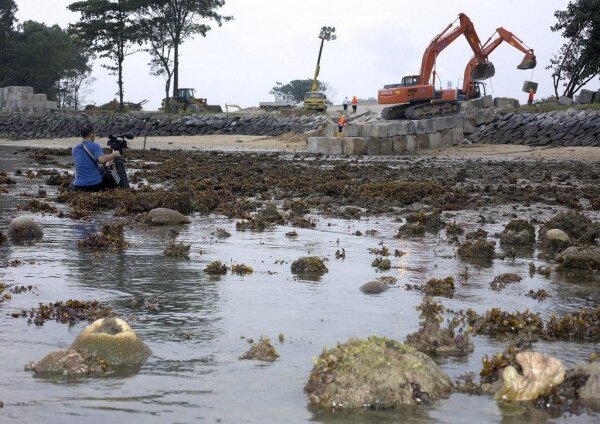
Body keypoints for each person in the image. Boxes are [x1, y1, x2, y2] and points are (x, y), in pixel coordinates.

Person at [70, 124, 121, 192]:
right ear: (91, 134)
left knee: (103, 169)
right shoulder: (95, 146)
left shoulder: (75, 148)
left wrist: (105, 165)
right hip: (93, 185)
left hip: (78, 185)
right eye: (94, 133)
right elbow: (102, 159)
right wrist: (114, 154)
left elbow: (86, 164)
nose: (95, 135)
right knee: (112, 179)